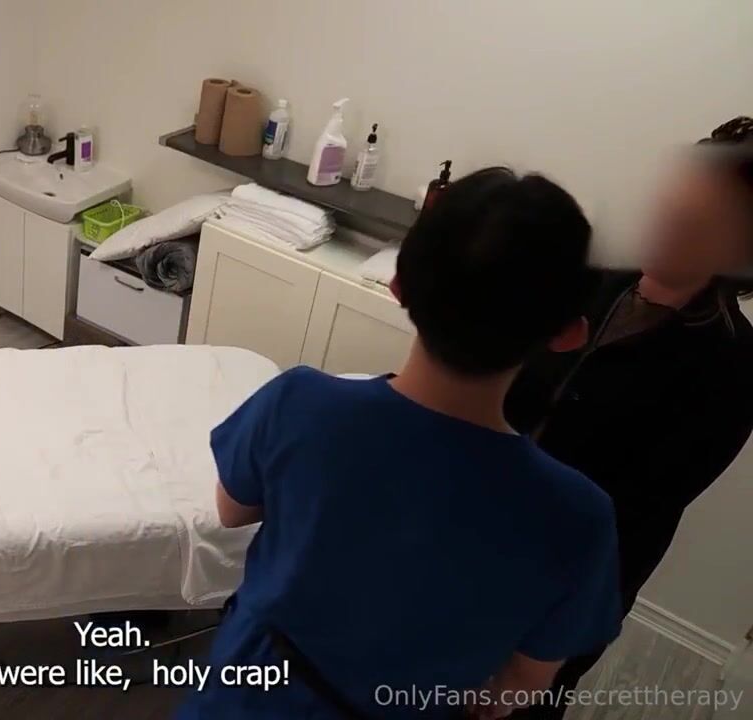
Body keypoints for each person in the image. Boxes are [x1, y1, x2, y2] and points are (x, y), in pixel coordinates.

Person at [176, 168, 623, 720]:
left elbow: (230, 510)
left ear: (399, 284)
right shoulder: (578, 518)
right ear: (568, 333)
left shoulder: (300, 405)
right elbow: (517, 686)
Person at [506, 119, 753, 718]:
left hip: (564, 587)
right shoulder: (593, 280)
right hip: (480, 529)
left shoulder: (733, 366)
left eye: (697, 218)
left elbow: (636, 511)